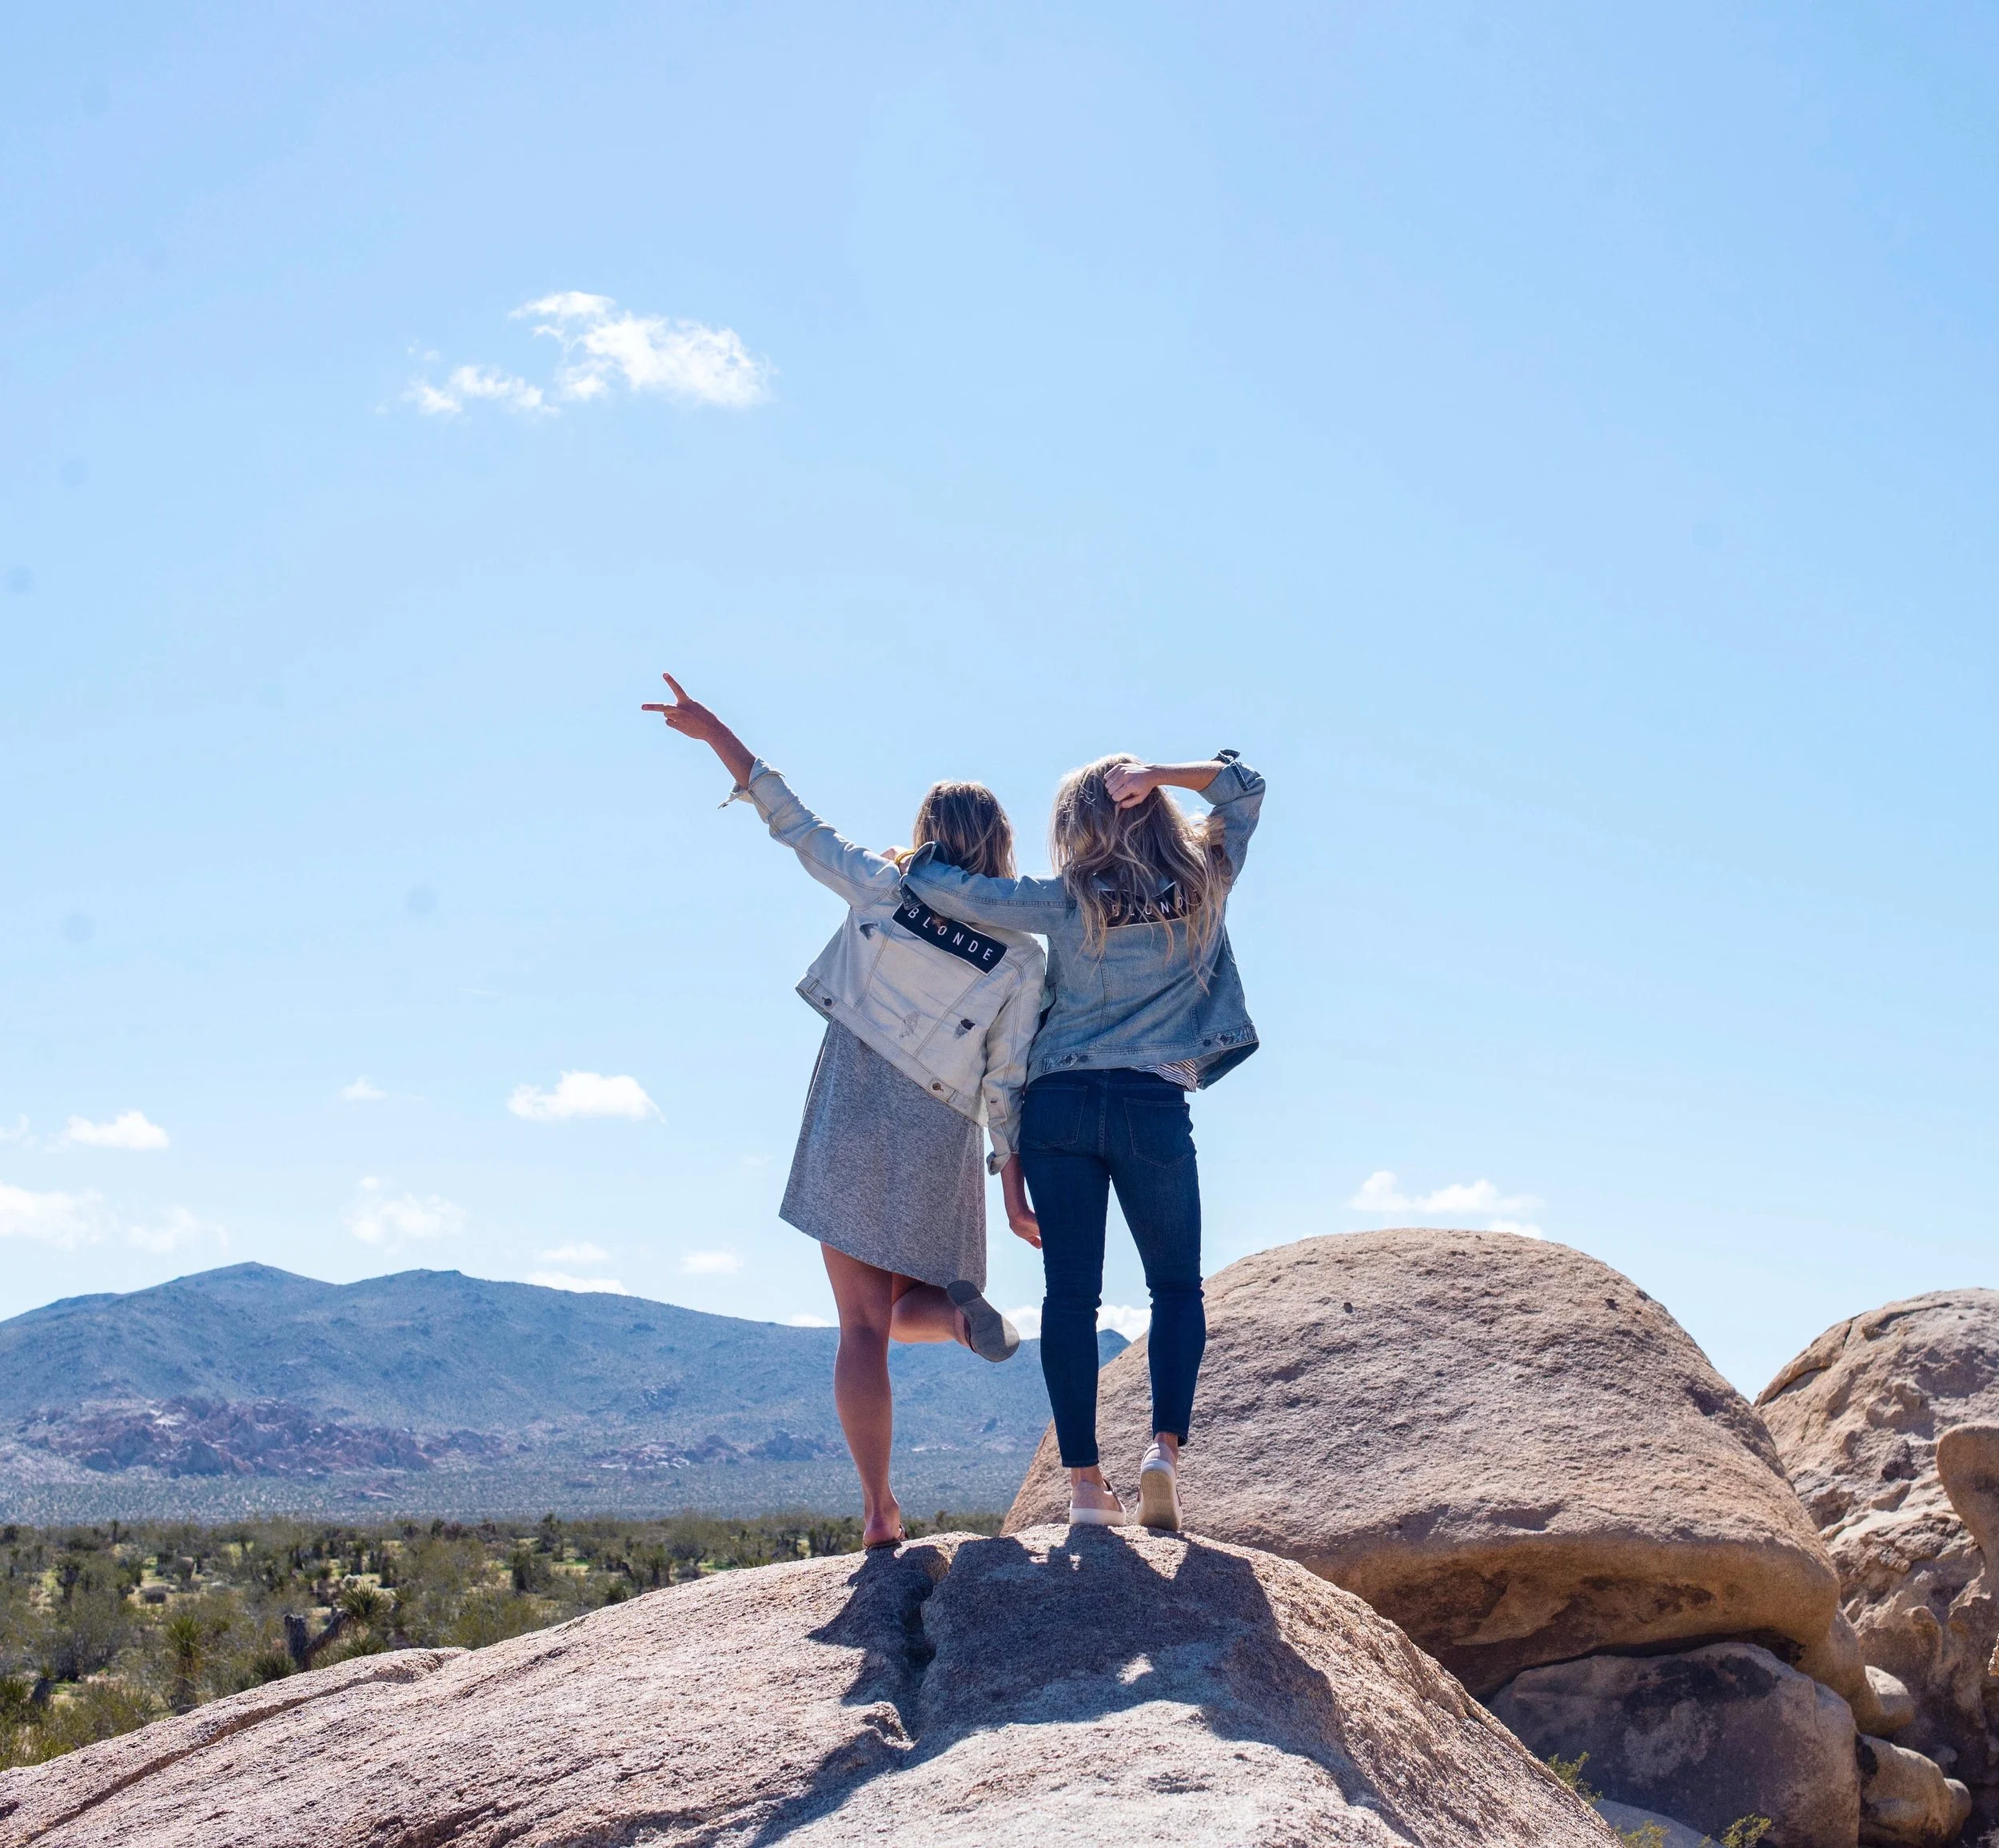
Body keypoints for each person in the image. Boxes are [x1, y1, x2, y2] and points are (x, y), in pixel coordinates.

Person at [644, 673, 1045, 1551]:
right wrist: (1014, 1192)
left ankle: (876, 1510)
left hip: (855, 1100)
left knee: (860, 1324)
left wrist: (717, 732)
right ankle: (950, 1317)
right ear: (1001, 845)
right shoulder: (1020, 955)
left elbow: (796, 824)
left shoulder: (883, 887)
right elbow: (1007, 1080)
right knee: (905, 1298)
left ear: (927, 836)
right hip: (942, 1122)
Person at [900, 749, 1264, 1532]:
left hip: (1058, 1103)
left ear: (1072, 827)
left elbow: (948, 887)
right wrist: (1161, 772)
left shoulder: (1064, 899)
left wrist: (917, 855)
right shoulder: (1205, 875)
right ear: (1148, 807)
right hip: (1150, 1101)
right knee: (1174, 1287)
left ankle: (1084, 1488)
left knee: (1070, 1296)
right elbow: (1245, 787)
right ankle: (1162, 1451)